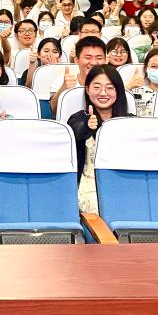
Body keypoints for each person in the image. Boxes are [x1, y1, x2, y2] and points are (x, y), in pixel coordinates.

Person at [67, 65, 129, 212]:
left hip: (124, 183)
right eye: (97, 87)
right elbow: (76, 131)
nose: (103, 93)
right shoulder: (78, 119)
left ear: (118, 91)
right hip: (90, 186)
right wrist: (87, 127)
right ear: (87, 90)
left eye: (110, 88)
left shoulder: (129, 122)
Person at [50, 36, 107, 115]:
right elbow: (53, 110)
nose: (94, 62)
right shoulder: (61, 81)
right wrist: (63, 88)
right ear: (76, 60)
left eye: (99, 58)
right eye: (88, 57)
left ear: (105, 60)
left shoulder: (112, 83)